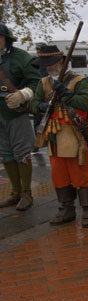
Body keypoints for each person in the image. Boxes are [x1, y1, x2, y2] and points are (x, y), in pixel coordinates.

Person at [31, 45, 88, 228]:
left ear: (61, 61)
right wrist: (40, 107)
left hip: (75, 133)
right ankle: (66, 209)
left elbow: (85, 104)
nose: (49, 68)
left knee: (81, 172)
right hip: (54, 135)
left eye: (51, 64)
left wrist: (66, 94)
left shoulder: (78, 81)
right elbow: (34, 103)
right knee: (59, 174)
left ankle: (87, 209)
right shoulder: (43, 83)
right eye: (46, 65)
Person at [0, 23, 41, 211]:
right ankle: (15, 193)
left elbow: (36, 82)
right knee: (5, 153)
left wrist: (23, 95)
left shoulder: (21, 58)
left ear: (6, 39)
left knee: (22, 153)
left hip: (16, 112)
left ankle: (26, 193)